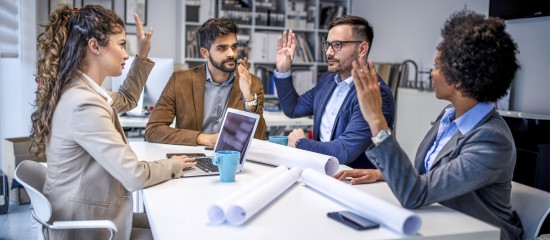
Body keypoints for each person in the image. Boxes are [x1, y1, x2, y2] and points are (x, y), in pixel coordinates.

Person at [335, 10, 523, 240]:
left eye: (436, 66)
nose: (431, 74)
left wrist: (376, 119)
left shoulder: (492, 139)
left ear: (459, 78)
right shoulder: (449, 115)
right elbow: (433, 176)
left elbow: (414, 195)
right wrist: (382, 173)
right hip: (442, 225)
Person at [30, 5, 196, 240]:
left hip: (84, 212)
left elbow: (127, 99)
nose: (126, 54)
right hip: (86, 225)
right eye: (121, 44)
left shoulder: (79, 90)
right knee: (172, 231)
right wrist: (173, 165)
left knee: (171, 222)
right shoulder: (83, 104)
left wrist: (143, 55)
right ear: (94, 46)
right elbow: (135, 176)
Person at [273, 15, 395, 169]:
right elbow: (293, 108)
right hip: (322, 172)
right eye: (328, 45)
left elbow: (344, 151)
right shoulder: (328, 80)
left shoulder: (376, 93)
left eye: (337, 45)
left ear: (362, 49)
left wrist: (300, 143)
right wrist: (283, 70)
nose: (329, 52)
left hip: (352, 184)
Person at [144, 18, 266, 147]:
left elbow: (259, 137)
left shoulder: (252, 82)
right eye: (222, 48)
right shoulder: (180, 81)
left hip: (232, 159)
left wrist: (249, 99)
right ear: (205, 52)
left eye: (234, 47)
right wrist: (203, 139)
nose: (231, 54)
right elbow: (153, 130)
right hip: (192, 158)